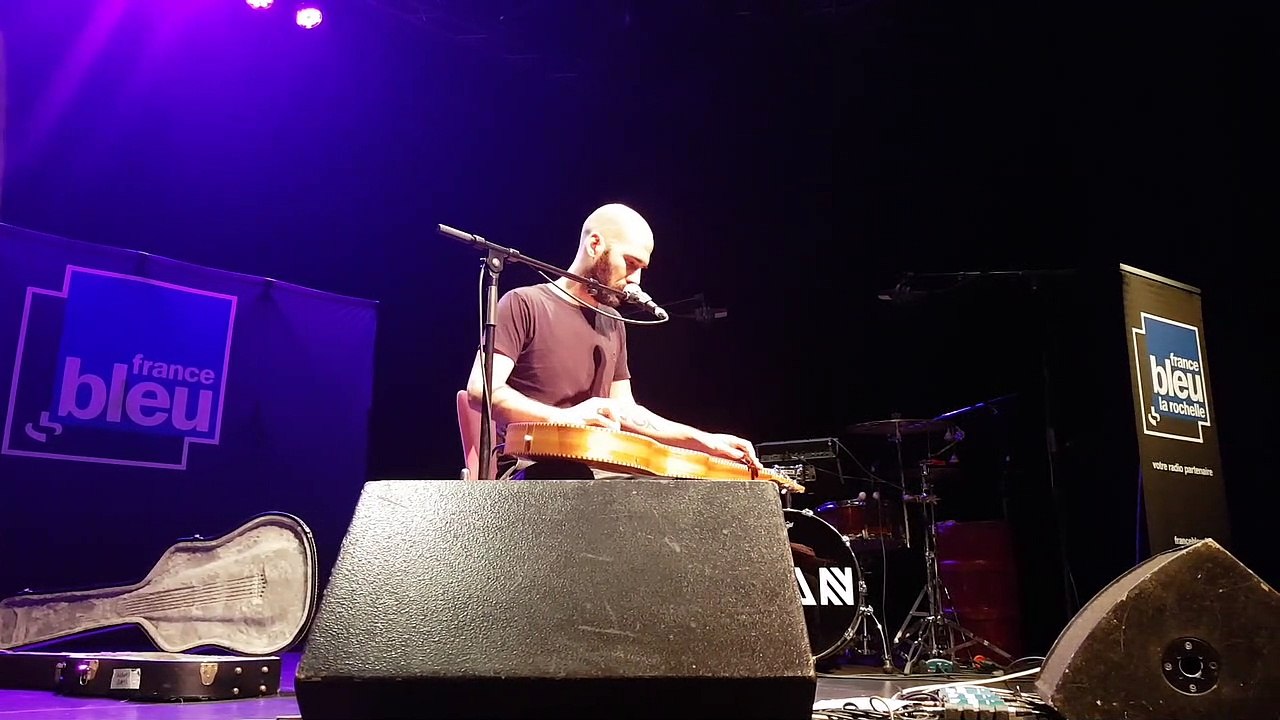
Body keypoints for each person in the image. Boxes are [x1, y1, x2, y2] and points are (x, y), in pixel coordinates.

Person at [464, 202, 762, 480]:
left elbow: (626, 411)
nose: (636, 281)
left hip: (593, 468)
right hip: (532, 470)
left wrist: (706, 442)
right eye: (629, 263)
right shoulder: (524, 303)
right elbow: (481, 389)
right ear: (595, 245)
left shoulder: (612, 322)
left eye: (641, 269)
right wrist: (565, 419)